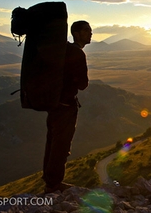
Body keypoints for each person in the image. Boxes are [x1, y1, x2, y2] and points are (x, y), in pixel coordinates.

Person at [42, 20, 92, 193]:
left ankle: (49, 180)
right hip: (66, 106)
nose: (90, 33)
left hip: (54, 105)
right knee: (61, 146)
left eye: (90, 30)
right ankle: (54, 184)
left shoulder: (63, 50)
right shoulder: (77, 53)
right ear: (76, 33)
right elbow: (83, 84)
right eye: (86, 30)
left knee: (52, 143)